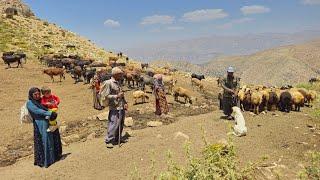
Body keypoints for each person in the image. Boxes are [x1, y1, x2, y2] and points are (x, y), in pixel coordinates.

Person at [26, 87, 62, 168]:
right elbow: (37, 111)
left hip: (49, 121)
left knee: (53, 138)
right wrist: (50, 113)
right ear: (31, 95)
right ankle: (46, 161)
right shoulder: (30, 103)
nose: (37, 95)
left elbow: (52, 102)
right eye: (35, 94)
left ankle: (55, 157)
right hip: (40, 123)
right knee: (45, 140)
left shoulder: (42, 100)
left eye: (38, 94)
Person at [100, 67, 128, 148]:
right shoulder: (108, 83)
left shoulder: (118, 82)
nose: (121, 76)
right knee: (113, 123)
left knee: (121, 123)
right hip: (114, 106)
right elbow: (105, 95)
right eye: (120, 74)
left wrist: (125, 102)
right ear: (116, 74)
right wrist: (116, 96)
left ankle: (117, 138)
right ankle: (109, 140)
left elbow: (121, 94)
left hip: (121, 105)